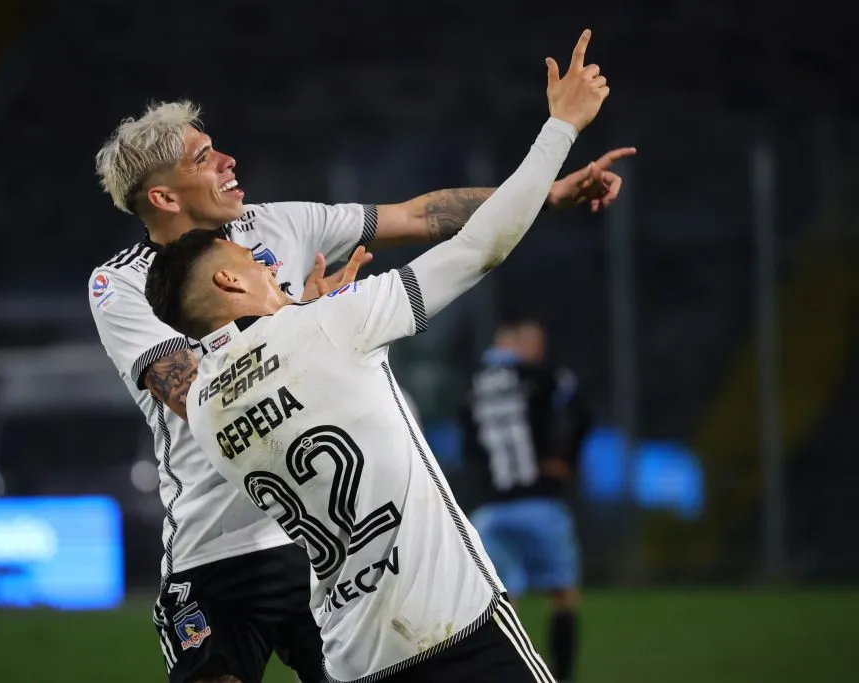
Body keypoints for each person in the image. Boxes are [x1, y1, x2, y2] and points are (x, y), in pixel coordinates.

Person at [89, 34, 632, 683]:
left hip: (318, 547)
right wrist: (302, 319)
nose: (229, 160)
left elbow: (417, 215)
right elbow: (188, 388)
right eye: (205, 156)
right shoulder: (119, 283)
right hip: (214, 548)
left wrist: (541, 192)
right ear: (165, 198)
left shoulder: (277, 225)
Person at [459, 318, 592, 683]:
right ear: (517, 342)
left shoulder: (473, 383)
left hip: (490, 510)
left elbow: (468, 445)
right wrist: (566, 460)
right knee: (563, 594)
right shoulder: (542, 375)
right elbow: (581, 411)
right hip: (540, 502)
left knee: (503, 604)